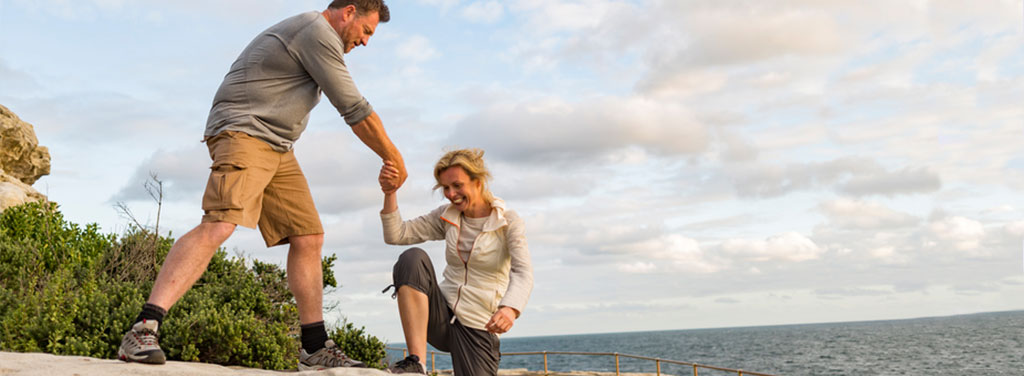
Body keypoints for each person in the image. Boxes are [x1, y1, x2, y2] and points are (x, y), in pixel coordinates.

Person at [117, 0, 407, 370]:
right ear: (348, 12)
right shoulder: (316, 32)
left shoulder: (316, 36)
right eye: (366, 31)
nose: (366, 42)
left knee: (308, 236)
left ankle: (314, 348)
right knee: (220, 223)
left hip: (277, 145)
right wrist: (393, 158)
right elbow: (354, 108)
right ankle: (143, 328)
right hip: (245, 131)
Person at [376, 149, 534, 375]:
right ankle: (416, 363)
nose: (451, 194)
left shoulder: (508, 222)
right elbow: (396, 234)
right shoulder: (446, 216)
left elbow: (523, 272)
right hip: (441, 315)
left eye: (457, 185)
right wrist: (390, 192)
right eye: (445, 188)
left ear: (478, 182)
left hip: (479, 327)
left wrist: (510, 309)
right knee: (412, 258)